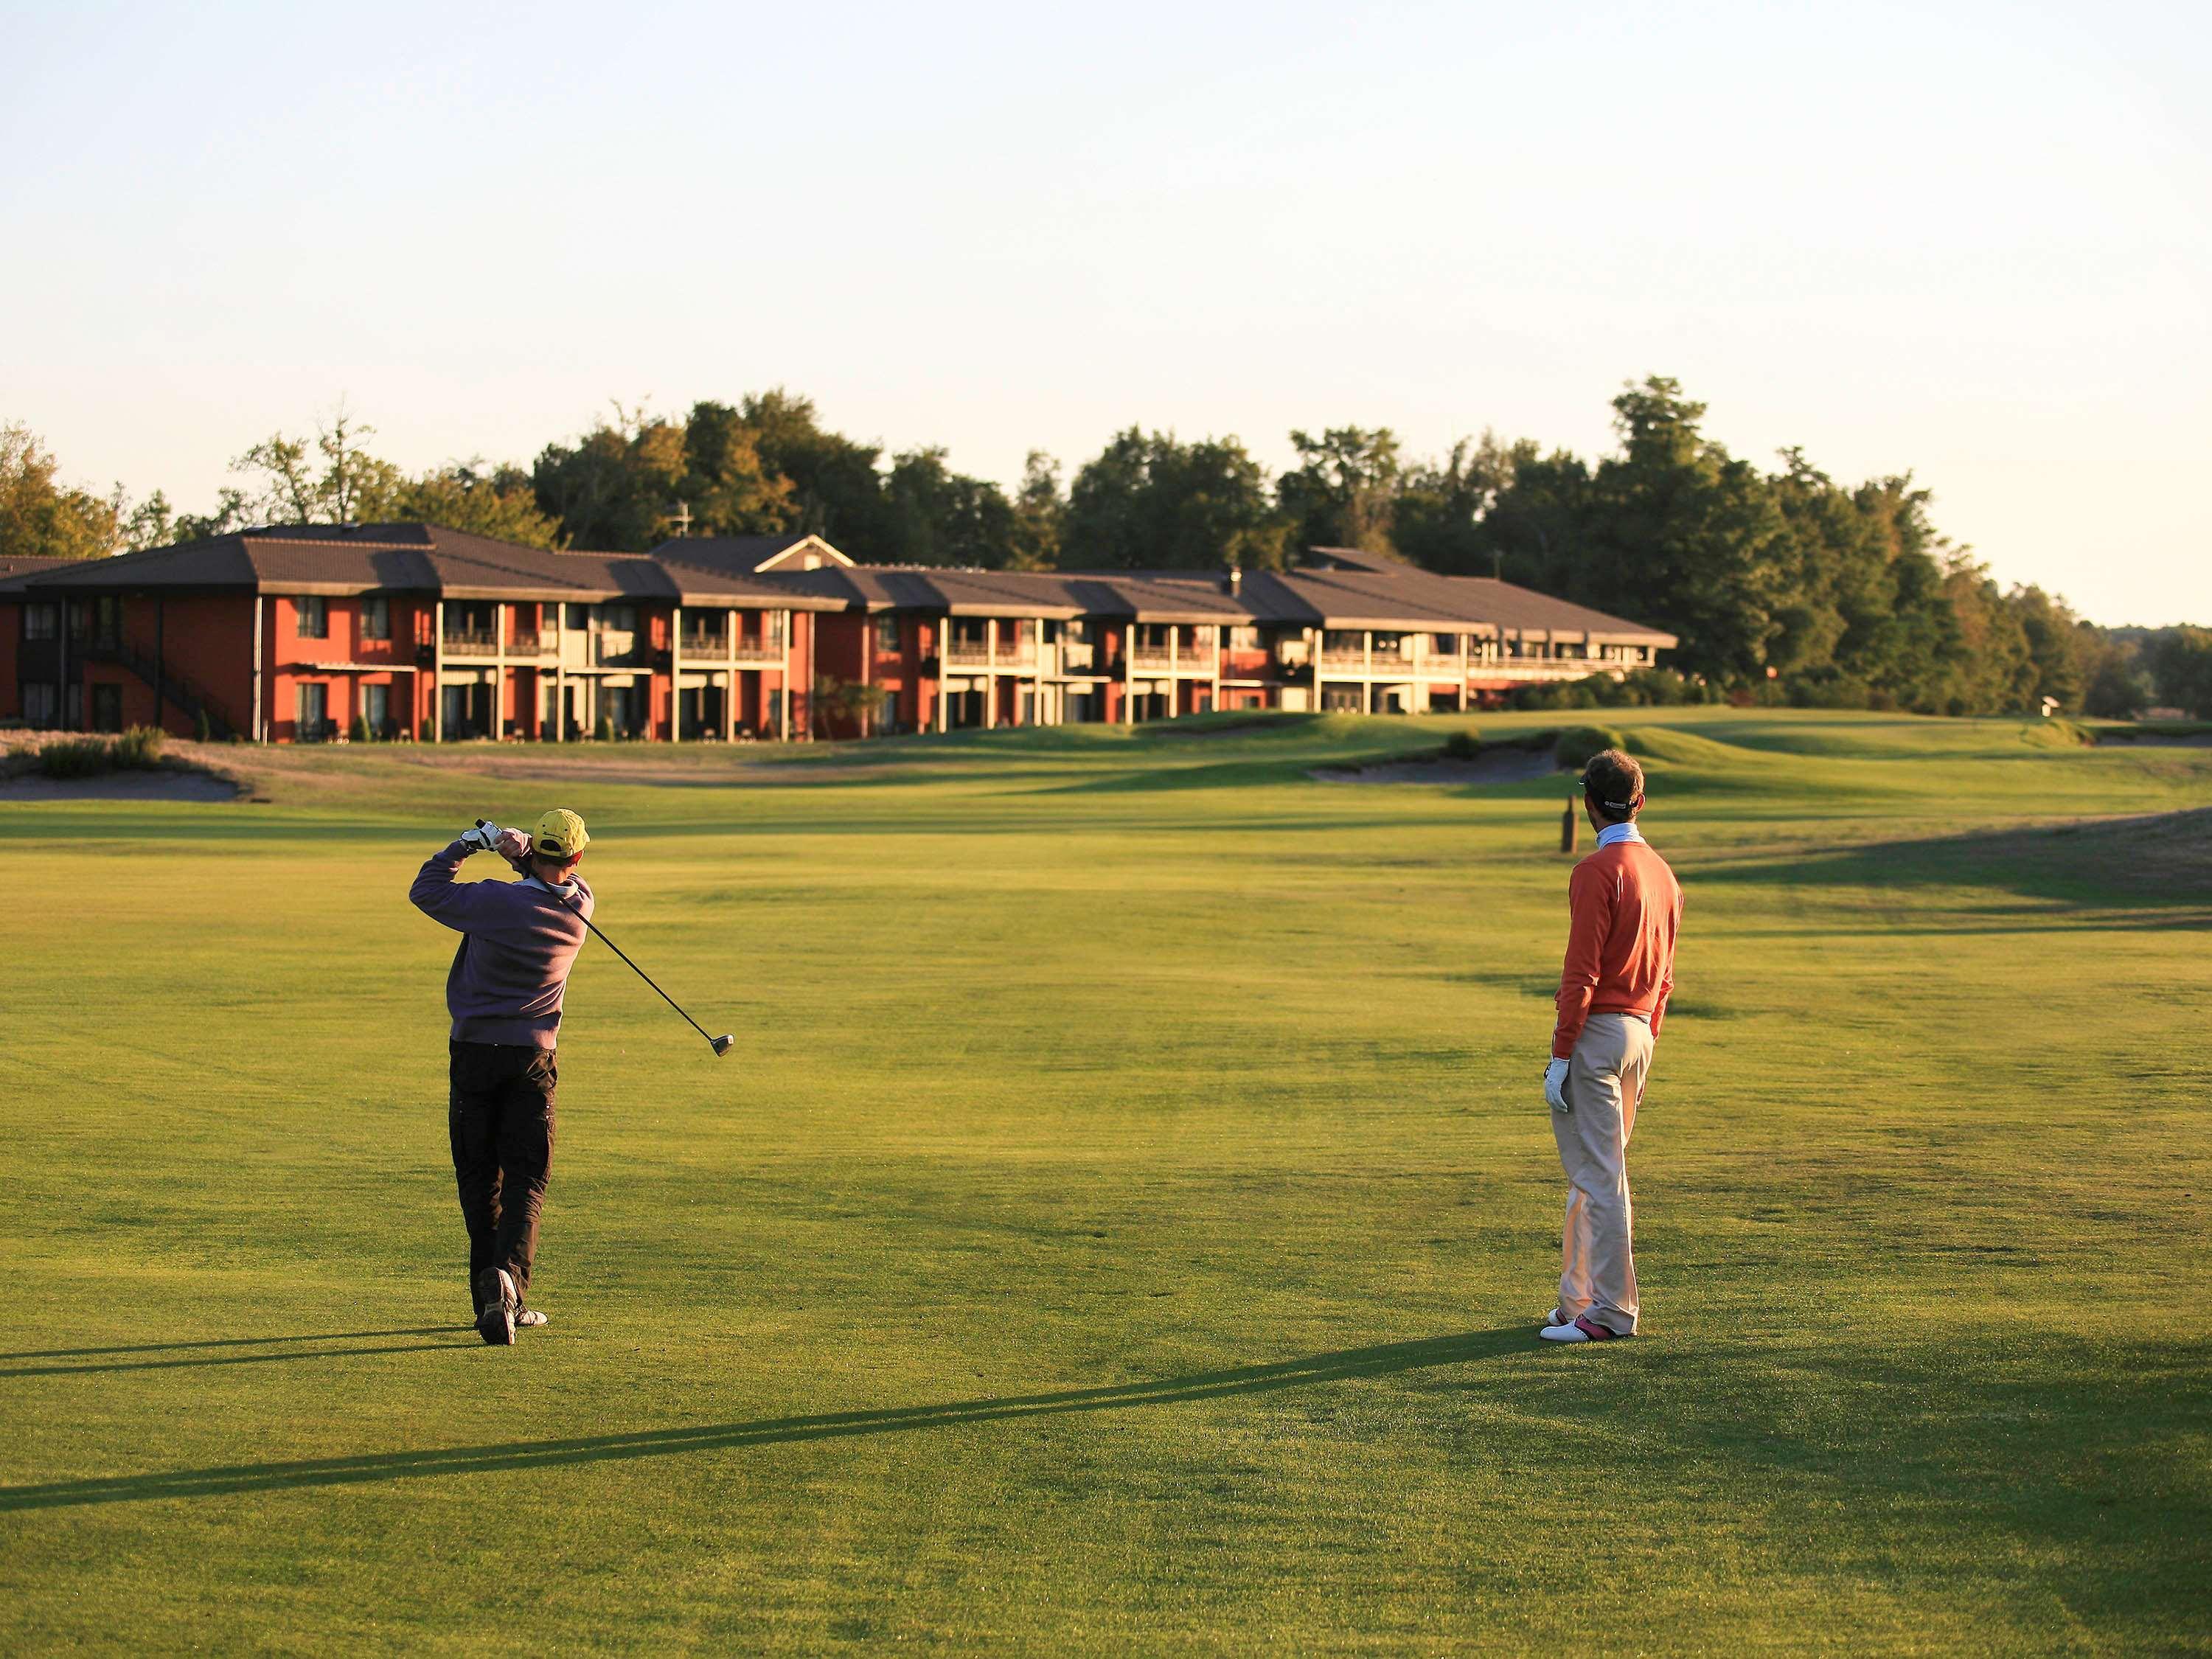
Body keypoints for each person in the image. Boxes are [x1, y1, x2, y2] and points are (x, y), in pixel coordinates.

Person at [408, 809, 594, 1346]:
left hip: (472, 1053)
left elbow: (427, 890)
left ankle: (491, 1300)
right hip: (532, 1060)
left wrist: (470, 843)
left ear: (536, 848)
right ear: (578, 858)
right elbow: (556, 884)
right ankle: (510, 1289)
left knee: (479, 1182)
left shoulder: (494, 902)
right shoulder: (582, 907)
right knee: (526, 1182)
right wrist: (525, 860)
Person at [1539, 750, 1681, 1343]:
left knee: (1601, 1177)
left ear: (1591, 804)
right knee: (1593, 1174)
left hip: (1597, 1037)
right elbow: (1667, 975)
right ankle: (1578, 1298)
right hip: (1640, 1033)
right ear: (1639, 801)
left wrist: (1562, 1053)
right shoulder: (1664, 874)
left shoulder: (1596, 872)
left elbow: (1582, 973)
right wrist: (1648, 1046)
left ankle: (1611, 1314)